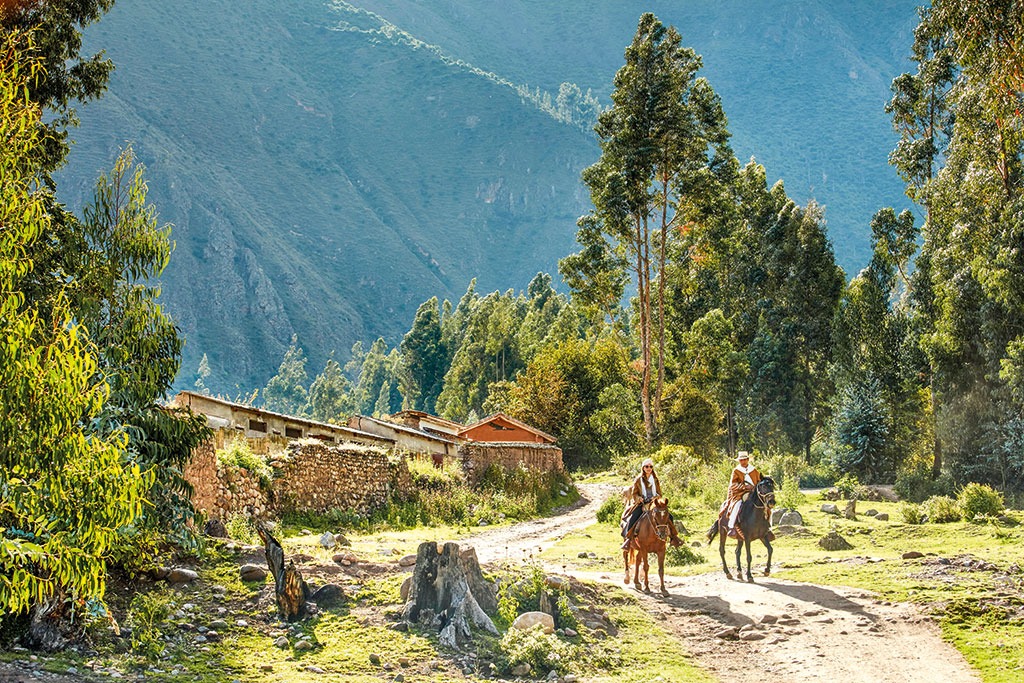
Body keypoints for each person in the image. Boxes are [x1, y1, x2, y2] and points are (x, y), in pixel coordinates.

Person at [621, 458, 683, 549]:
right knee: (633, 517)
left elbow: (659, 493)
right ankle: (628, 539)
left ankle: (673, 538)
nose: (649, 468)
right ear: (643, 468)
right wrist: (639, 498)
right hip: (642, 503)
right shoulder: (638, 480)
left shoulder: (655, 479)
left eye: (650, 466)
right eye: (646, 466)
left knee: (669, 516)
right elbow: (634, 494)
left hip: (654, 503)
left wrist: (656, 497)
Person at [723, 451, 761, 539]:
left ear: (748, 460)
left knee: (764, 505)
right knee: (737, 504)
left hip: (754, 492)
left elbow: (759, 481)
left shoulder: (754, 470)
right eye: (741, 460)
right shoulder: (736, 471)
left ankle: (767, 527)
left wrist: (755, 487)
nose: (743, 462)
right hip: (740, 493)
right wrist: (744, 487)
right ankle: (731, 527)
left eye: (744, 460)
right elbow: (733, 485)